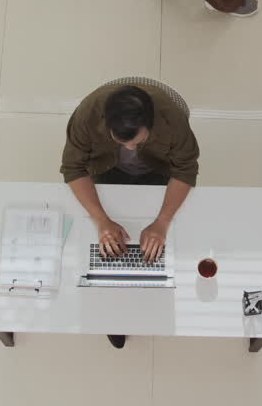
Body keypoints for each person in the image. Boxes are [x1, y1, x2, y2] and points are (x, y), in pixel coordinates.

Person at [60, 81, 198, 349]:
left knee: (162, 251)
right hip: (106, 170)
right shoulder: (87, 116)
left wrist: (161, 222)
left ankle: (153, 308)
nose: (132, 149)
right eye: (122, 141)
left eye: (139, 141)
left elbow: (186, 170)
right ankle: (116, 318)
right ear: (107, 124)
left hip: (158, 171)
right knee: (104, 255)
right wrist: (101, 220)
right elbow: (73, 168)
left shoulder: (173, 120)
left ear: (151, 124)